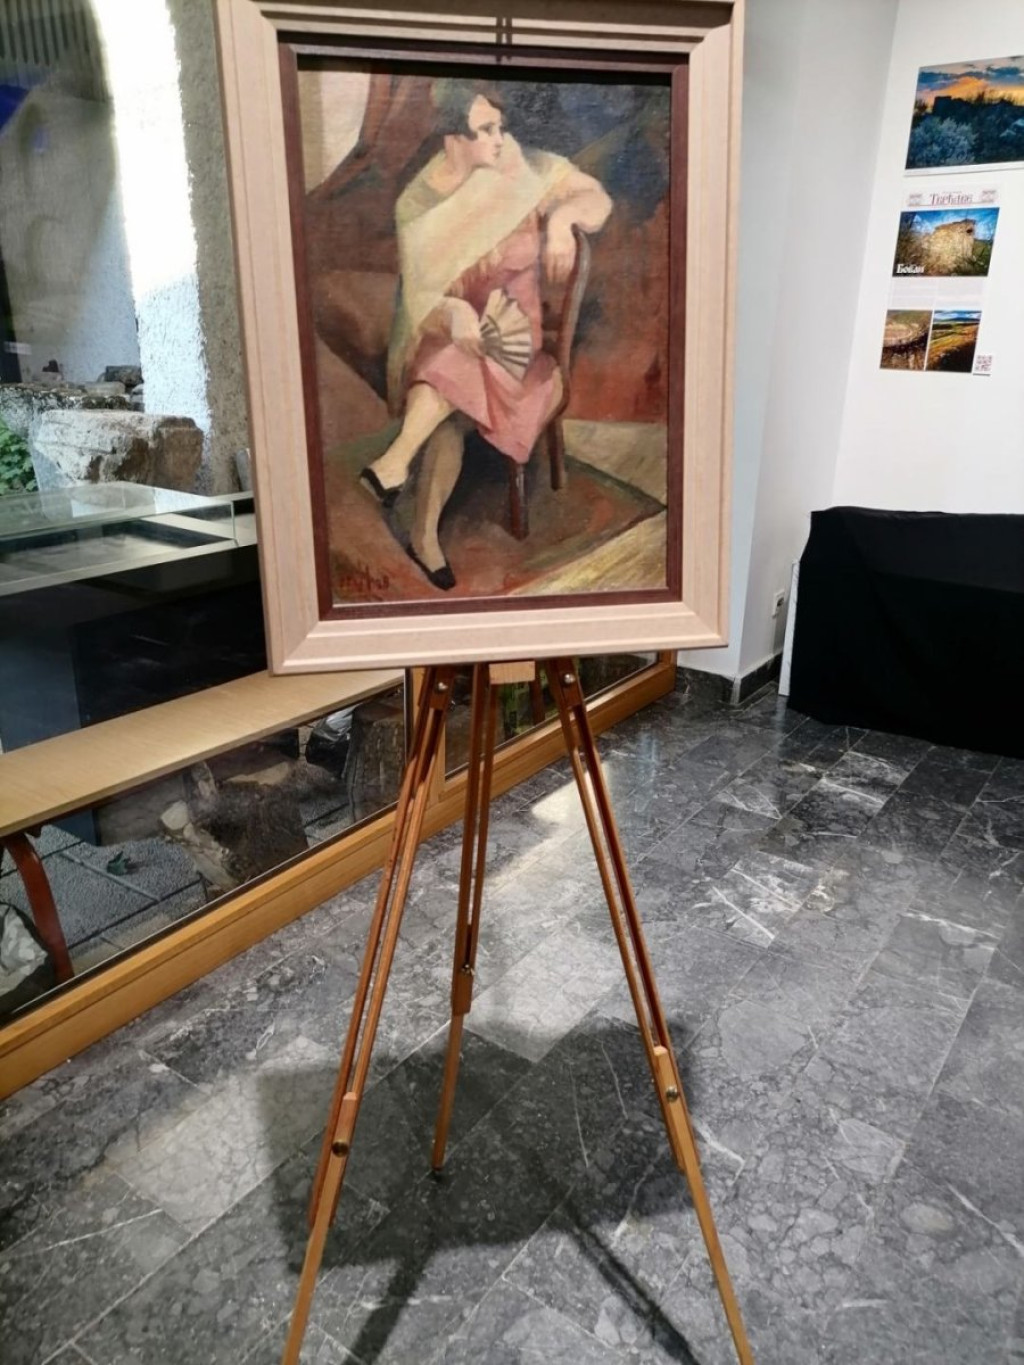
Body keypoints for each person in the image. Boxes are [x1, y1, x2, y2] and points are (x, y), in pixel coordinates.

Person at [358, 80, 612, 590]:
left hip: (516, 347)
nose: (501, 138)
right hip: (450, 338)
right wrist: (453, 310)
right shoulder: (417, 203)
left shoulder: (521, 168)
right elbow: (419, 301)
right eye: (487, 130)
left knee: (445, 383)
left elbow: (597, 199)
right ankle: (425, 536)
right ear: (454, 138)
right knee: (447, 391)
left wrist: (561, 220)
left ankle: (393, 466)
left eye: (500, 126)